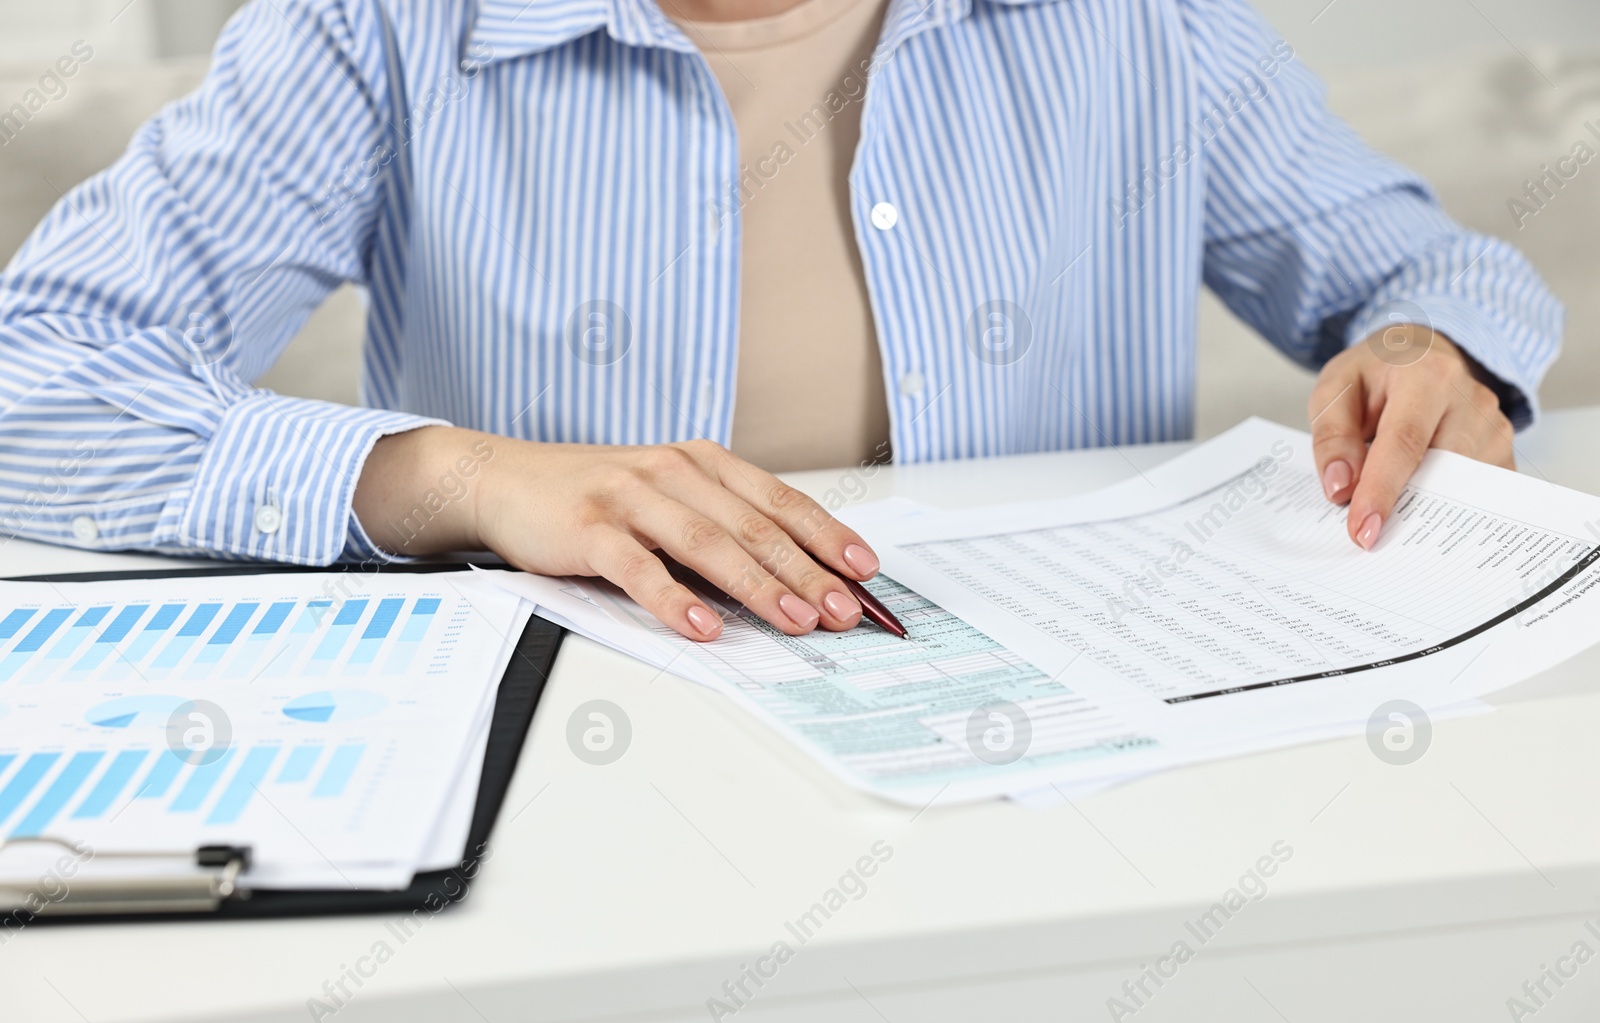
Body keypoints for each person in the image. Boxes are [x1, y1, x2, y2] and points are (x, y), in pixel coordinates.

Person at [0, 0, 1562, 643]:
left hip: (1088, 739)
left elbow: (1417, 274)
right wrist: (469, 480)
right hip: (580, 760)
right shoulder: (373, 29)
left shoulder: (1132, 24)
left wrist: (1434, 351)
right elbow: (36, 379)